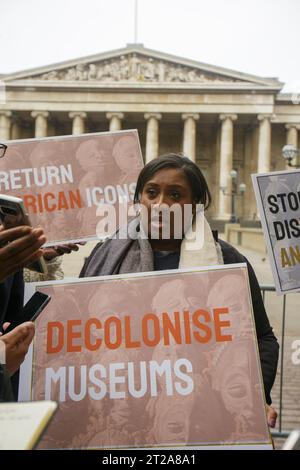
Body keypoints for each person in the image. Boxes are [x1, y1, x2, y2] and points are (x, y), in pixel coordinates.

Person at [80, 153, 279, 429]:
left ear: (195, 205)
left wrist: (255, 395)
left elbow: (263, 337)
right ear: (140, 199)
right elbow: (78, 334)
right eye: (152, 192)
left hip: (200, 416)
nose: (161, 204)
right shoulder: (105, 255)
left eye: (175, 195)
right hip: (125, 414)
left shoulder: (228, 261)